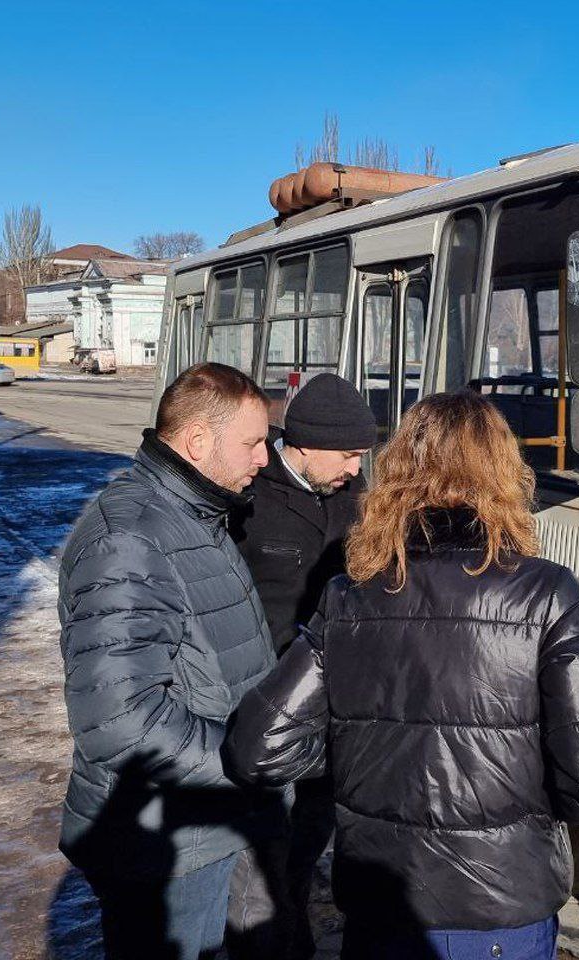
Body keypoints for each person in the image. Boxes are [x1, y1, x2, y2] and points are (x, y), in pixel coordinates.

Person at [224, 391, 579, 960]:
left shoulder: (349, 596)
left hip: (380, 906)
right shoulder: (544, 593)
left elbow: (257, 747)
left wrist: (358, 751)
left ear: (397, 474)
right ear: (503, 473)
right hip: (502, 906)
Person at [57, 362, 280, 960]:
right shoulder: (128, 539)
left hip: (203, 824)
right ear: (198, 442)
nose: (265, 457)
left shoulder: (195, 517)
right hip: (164, 845)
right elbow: (122, 725)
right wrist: (246, 761)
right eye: (253, 442)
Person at [227, 373, 374, 960]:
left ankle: (290, 929)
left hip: (332, 714)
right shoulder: (248, 499)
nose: (356, 470)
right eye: (348, 456)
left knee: (309, 839)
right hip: (265, 709)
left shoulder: (354, 501)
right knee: (264, 856)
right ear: (305, 445)